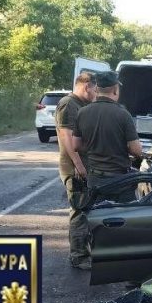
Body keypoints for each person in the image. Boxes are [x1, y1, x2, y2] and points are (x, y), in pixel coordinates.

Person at [73, 71, 144, 207]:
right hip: (119, 181)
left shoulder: (82, 112)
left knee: (98, 218)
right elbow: (136, 150)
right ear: (115, 89)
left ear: (97, 89)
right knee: (123, 219)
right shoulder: (123, 114)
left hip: (95, 179)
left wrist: (94, 146)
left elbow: (76, 145)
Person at [55, 71, 96, 270]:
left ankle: (85, 251)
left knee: (87, 209)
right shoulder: (68, 104)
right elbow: (66, 137)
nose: (96, 93)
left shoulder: (82, 105)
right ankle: (78, 256)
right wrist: (79, 165)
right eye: (95, 89)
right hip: (74, 168)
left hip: (84, 166)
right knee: (79, 211)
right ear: (87, 86)